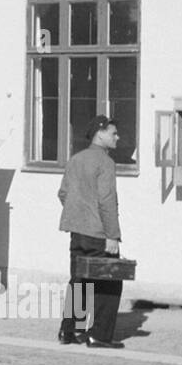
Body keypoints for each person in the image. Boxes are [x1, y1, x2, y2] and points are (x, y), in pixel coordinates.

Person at [56, 115, 125, 348]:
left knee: (79, 280)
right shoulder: (105, 162)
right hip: (98, 233)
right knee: (111, 282)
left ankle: (69, 332)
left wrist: (79, 213)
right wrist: (113, 235)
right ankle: (100, 335)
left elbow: (63, 193)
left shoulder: (76, 159)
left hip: (76, 231)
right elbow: (107, 201)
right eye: (113, 133)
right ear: (100, 133)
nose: (117, 137)